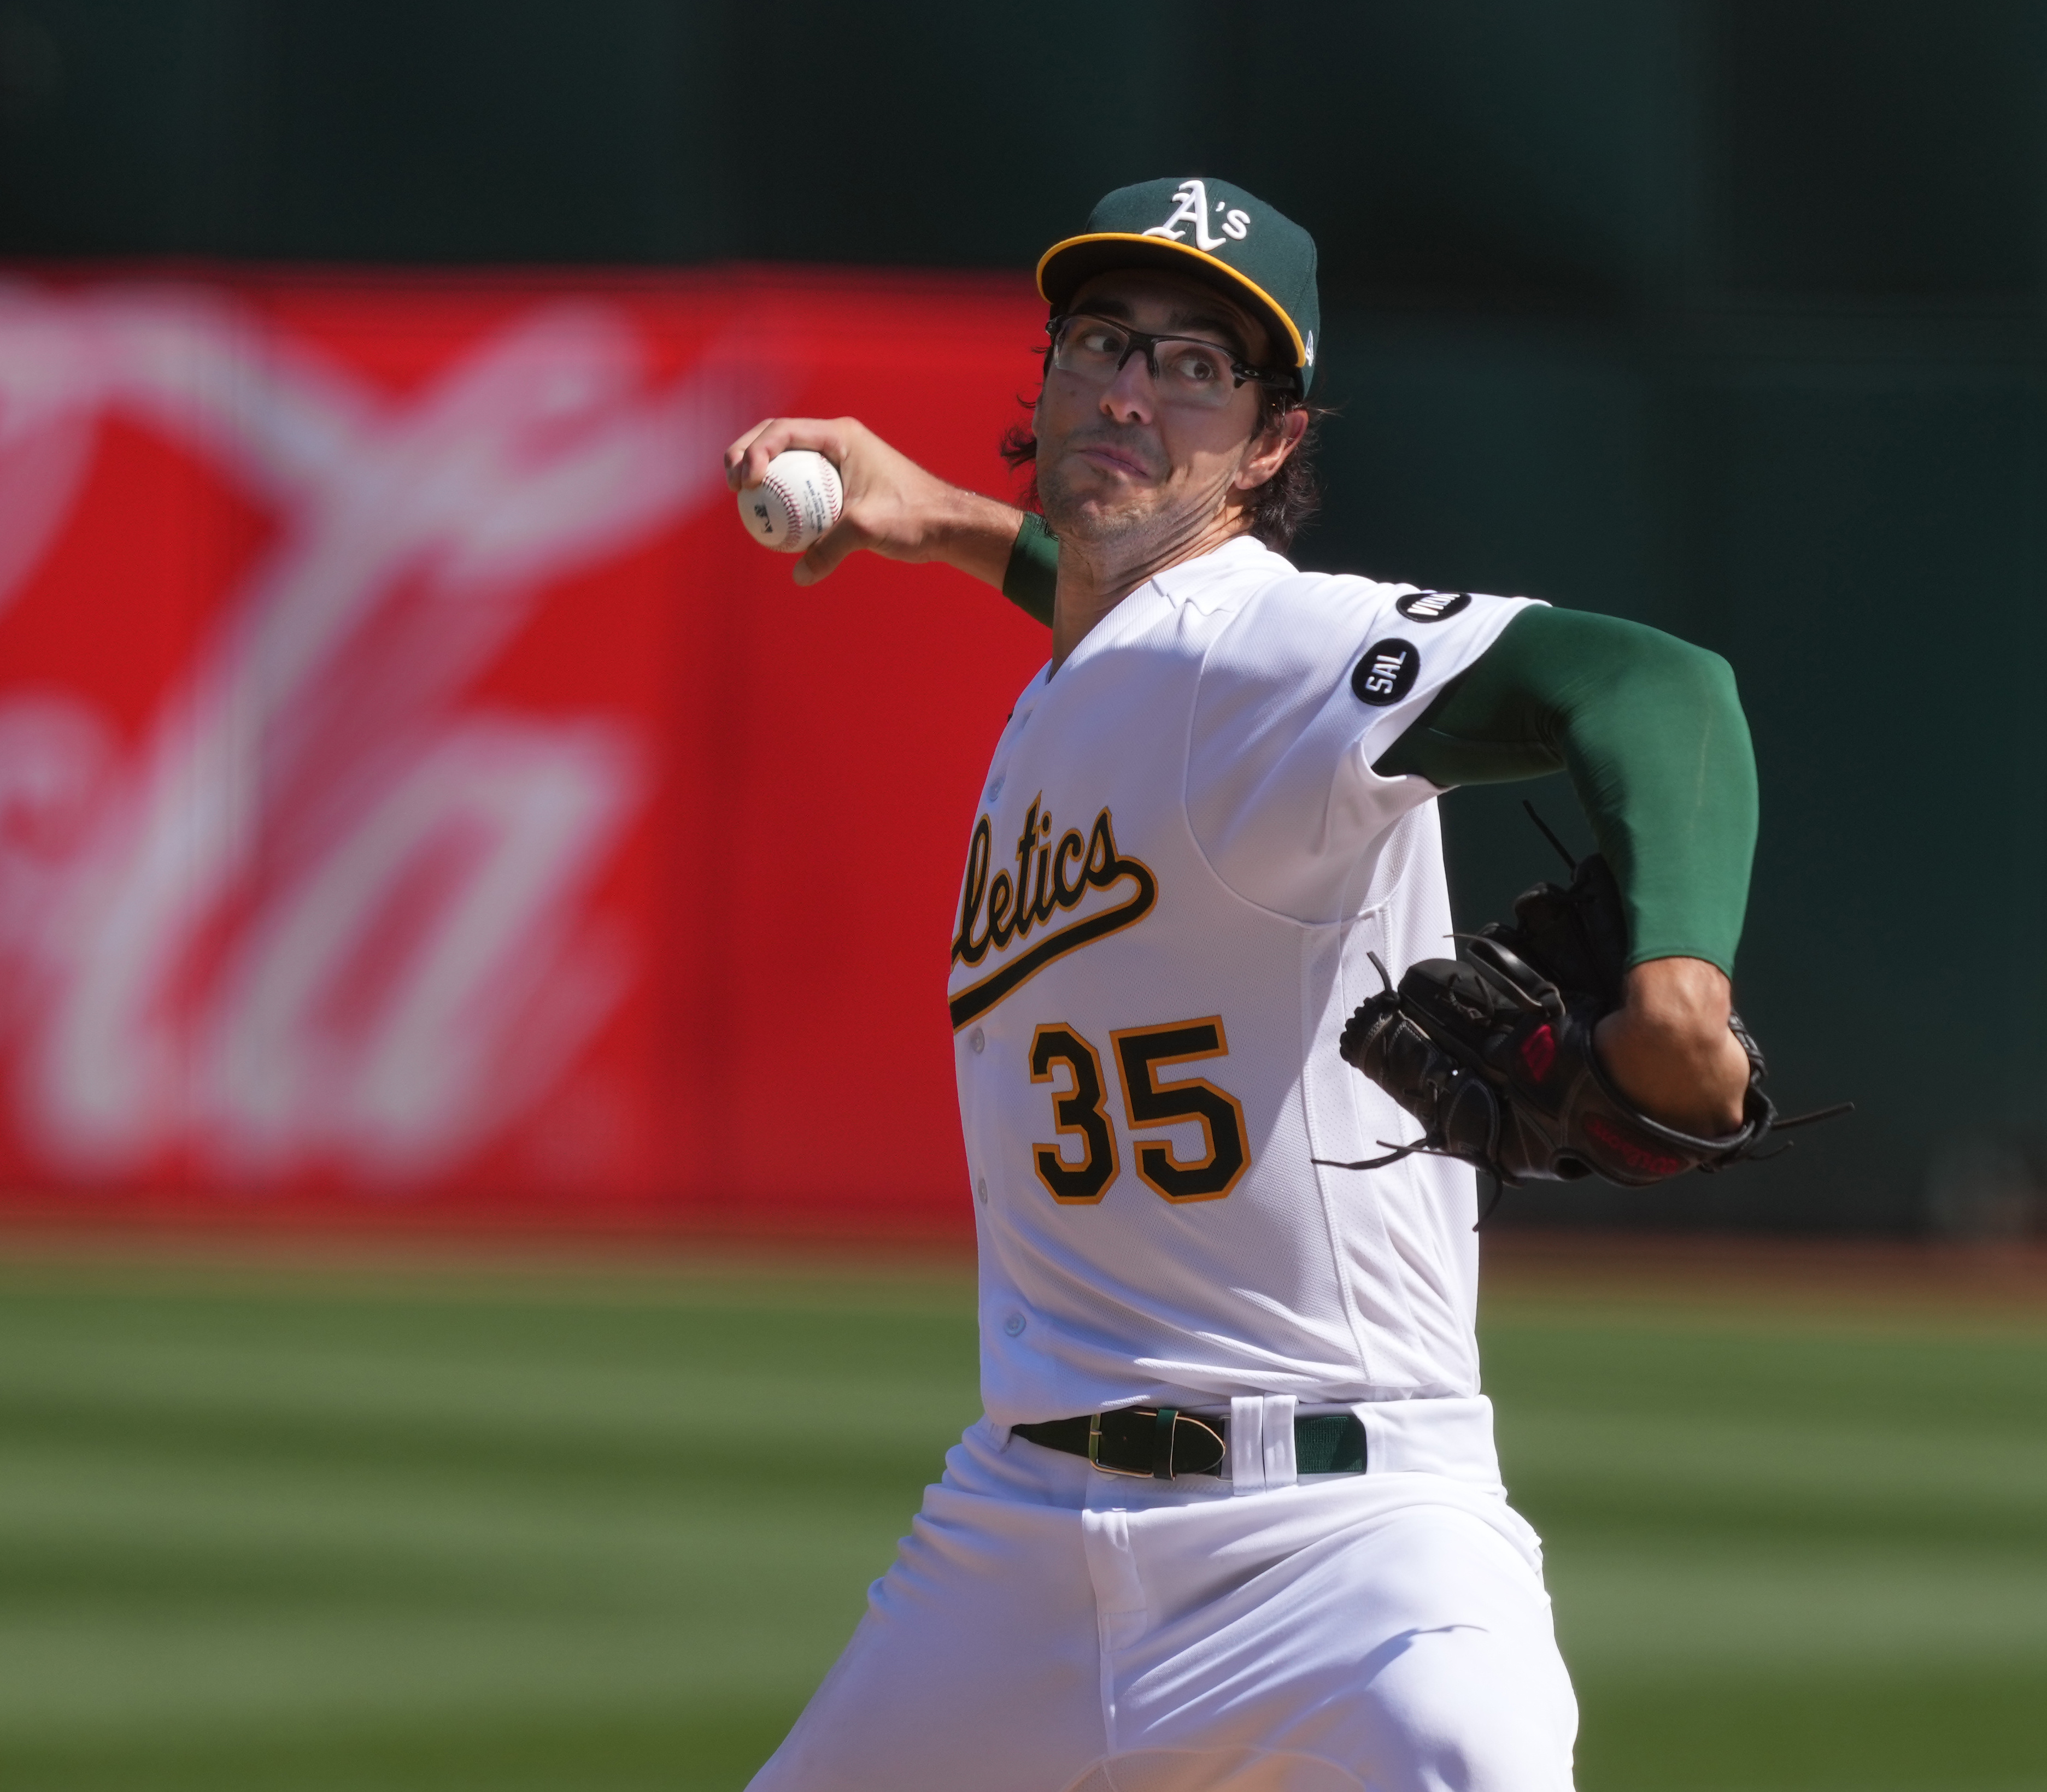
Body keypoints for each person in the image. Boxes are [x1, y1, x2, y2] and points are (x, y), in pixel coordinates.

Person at [723, 177, 1758, 1792]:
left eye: (1200, 366)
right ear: (1053, 377)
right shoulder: (1100, 670)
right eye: (1102, 343)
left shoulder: (1266, 649)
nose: (1133, 387)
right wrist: (941, 522)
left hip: (1344, 1538)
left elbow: (1650, 682)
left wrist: (1676, 983)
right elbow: (1118, 628)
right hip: (1016, 1543)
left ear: (1272, 441)